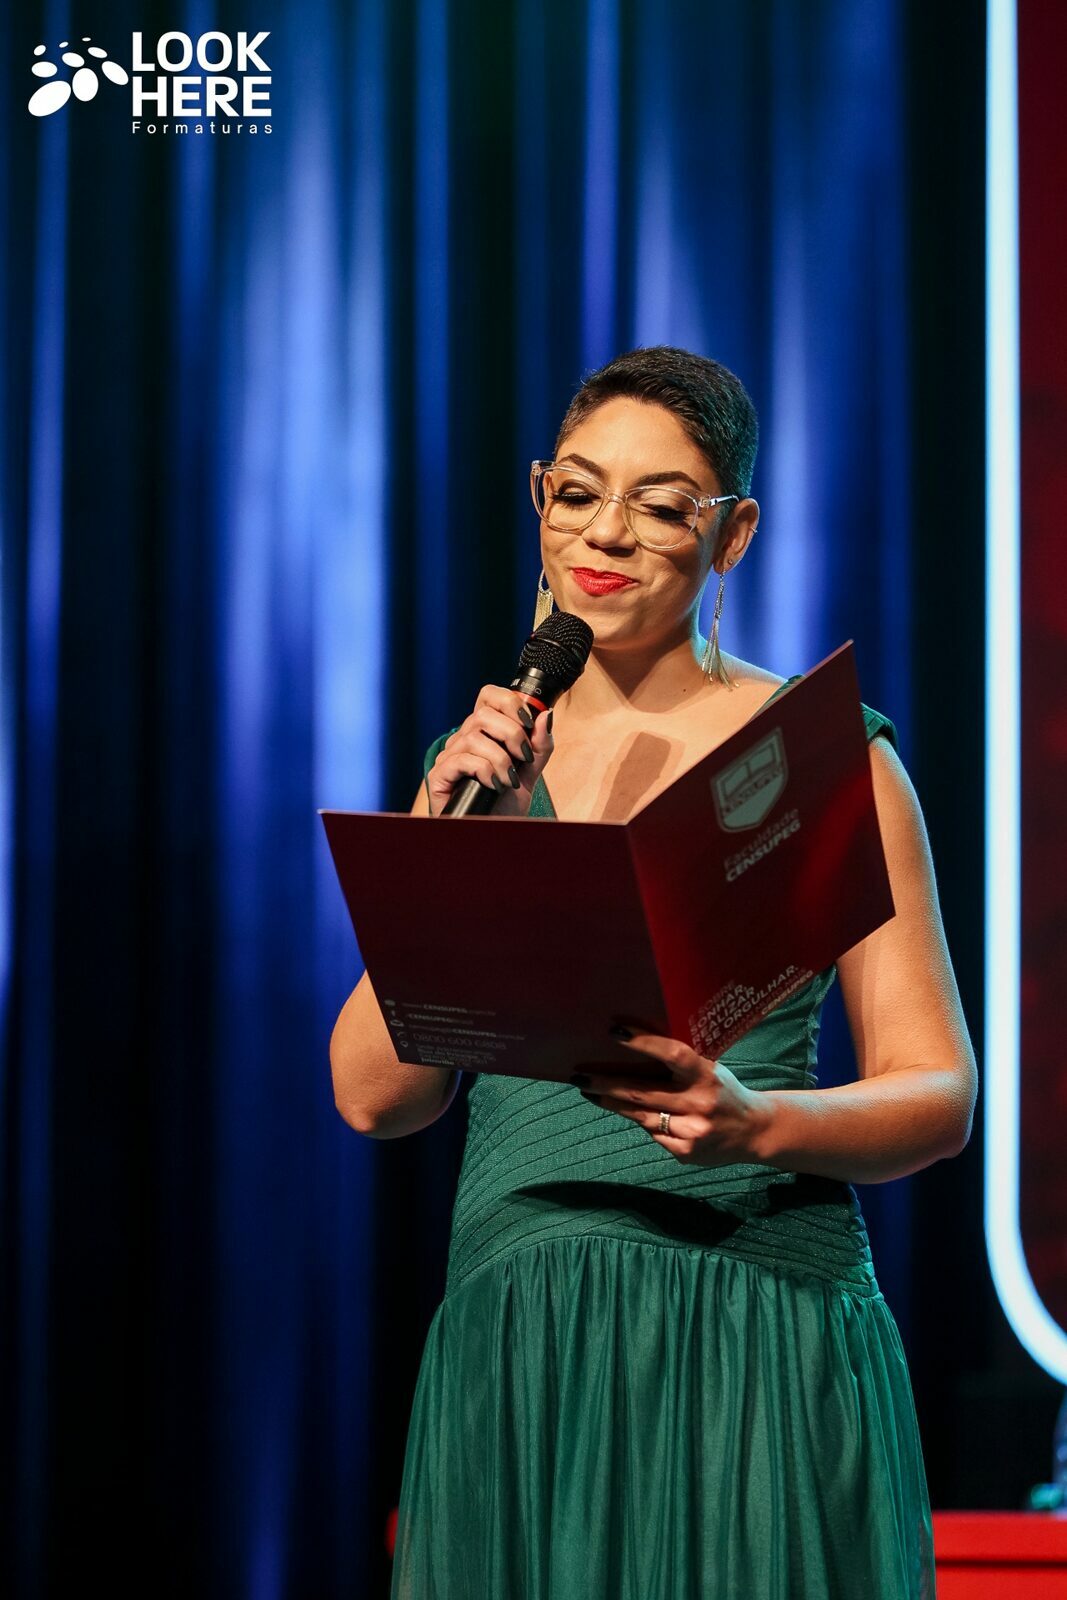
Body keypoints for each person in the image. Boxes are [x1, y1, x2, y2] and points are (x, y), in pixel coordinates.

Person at [329, 346, 977, 1599]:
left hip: (753, 1321)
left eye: (660, 505)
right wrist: (466, 840)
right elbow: (373, 1095)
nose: (604, 534)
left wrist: (754, 1123)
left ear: (731, 534)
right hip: (523, 1333)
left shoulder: (826, 756)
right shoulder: (479, 762)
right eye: (575, 492)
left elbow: (936, 1091)